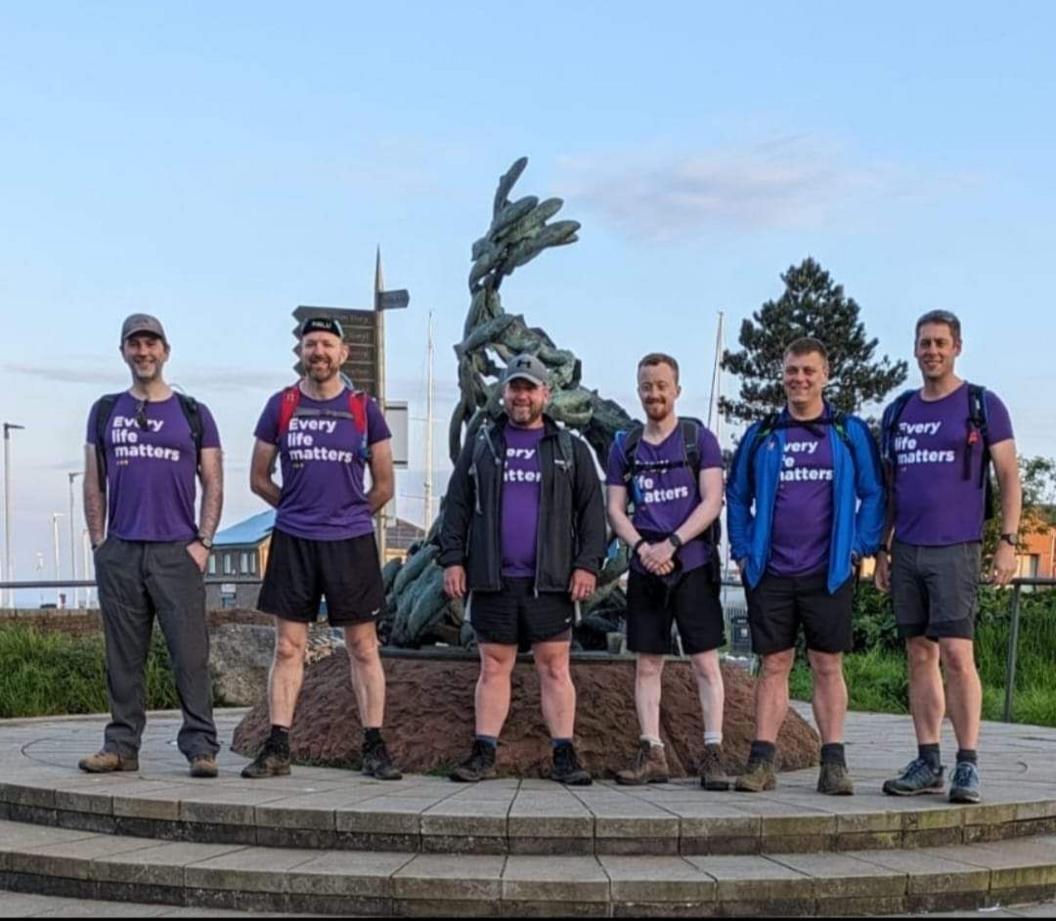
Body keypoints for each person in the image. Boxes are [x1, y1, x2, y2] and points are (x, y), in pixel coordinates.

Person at [241, 316, 400, 781]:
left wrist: (347, 514)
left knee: (363, 646)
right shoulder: (282, 405)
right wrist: (294, 509)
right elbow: (258, 477)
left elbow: (385, 485)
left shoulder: (362, 408)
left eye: (327, 344)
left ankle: (373, 745)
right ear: (301, 353)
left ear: (342, 353)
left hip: (350, 541)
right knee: (288, 647)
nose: (319, 352)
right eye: (311, 344)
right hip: (294, 540)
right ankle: (277, 746)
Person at [726, 337, 884, 795]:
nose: (799, 379)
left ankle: (833, 762)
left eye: (808, 371)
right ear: (783, 375)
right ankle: (761, 762)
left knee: (826, 663)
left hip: (828, 570)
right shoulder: (763, 435)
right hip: (771, 570)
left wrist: (859, 545)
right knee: (772, 663)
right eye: (792, 370)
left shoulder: (847, 432)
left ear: (825, 375)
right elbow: (737, 497)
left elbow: (873, 493)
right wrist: (742, 550)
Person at [439, 353, 606, 785]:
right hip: (494, 579)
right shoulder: (484, 444)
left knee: (555, 667)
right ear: (504, 393)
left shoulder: (571, 449)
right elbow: (456, 507)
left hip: (550, 582)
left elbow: (592, 514)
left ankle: (564, 754)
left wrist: (588, 565)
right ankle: (483, 752)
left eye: (530, 387)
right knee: (493, 667)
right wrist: (453, 560)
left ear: (545, 394)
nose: (522, 395)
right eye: (515, 387)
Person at [875, 310, 1020, 804]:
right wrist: (883, 549)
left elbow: (1009, 477)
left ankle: (968, 764)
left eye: (940, 342)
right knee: (919, 654)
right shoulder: (898, 412)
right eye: (924, 343)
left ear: (957, 346)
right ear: (914, 349)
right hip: (908, 548)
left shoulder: (982, 404)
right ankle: (928, 760)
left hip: (957, 547)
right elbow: (891, 488)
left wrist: (1008, 541)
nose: (931, 350)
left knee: (958, 655)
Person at [80, 314, 223, 778]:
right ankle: (121, 745)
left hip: (176, 551)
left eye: (151, 344)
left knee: (190, 655)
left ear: (166, 351)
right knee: (122, 656)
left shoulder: (193, 413)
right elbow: (93, 481)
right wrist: (99, 542)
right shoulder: (105, 411)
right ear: (123, 351)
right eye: (134, 344)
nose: (143, 352)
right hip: (121, 549)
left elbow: (213, 480)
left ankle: (201, 747)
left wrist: (203, 541)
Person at [606, 353, 731, 789]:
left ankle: (713, 751)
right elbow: (616, 509)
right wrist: (642, 547)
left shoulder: (699, 439)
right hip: (646, 568)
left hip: (692, 564)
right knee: (647, 664)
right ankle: (651, 749)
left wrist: (673, 543)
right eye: (646, 386)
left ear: (676, 389)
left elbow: (711, 501)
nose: (654, 394)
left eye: (661, 385)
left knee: (705, 663)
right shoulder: (625, 446)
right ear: (638, 390)